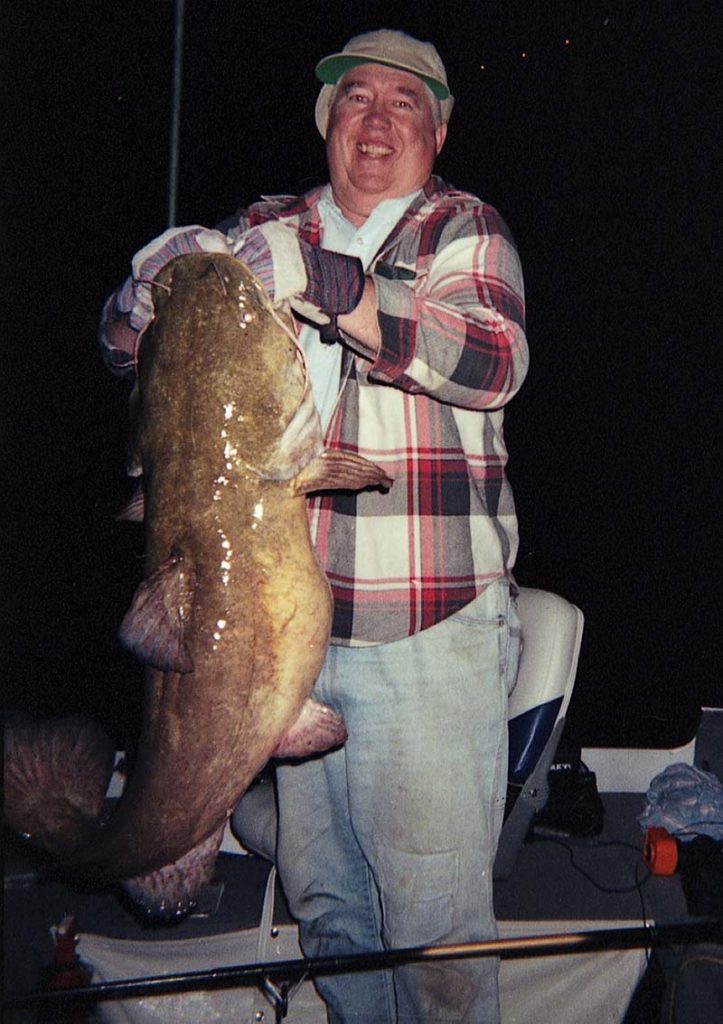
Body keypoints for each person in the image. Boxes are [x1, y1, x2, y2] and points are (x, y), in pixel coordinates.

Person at [99, 29, 528, 1023]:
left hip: (423, 632)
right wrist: (137, 297)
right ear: (327, 118)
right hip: (277, 640)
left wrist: (338, 284)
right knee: (331, 910)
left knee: (434, 929)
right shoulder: (261, 227)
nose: (375, 120)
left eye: (403, 102)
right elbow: (131, 356)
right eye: (355, 98)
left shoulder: (463, 228)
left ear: (438, 130)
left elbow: (491, 361)